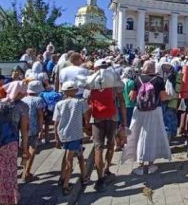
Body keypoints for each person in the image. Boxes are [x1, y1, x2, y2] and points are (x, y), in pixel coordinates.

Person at [121, 61, 171, 175]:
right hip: (154, 111)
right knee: (152, 136)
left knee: (138, 135)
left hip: (139, 111)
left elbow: (132, 97)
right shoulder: (159, 80)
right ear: (154, 68)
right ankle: (151, 164)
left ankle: (140, 164)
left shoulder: (137, 79)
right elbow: (163, 98)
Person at [88, 60, 127, 191]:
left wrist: (86, 122)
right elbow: (121, 101)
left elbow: (87, 102)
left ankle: (99, 179)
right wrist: (124, 122)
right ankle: (107, 169)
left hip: (96, 118)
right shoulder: (114, 80)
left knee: (98, 147)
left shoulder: (91, 81)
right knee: (110, 144)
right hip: (112, 116)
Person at [53, 81, 89, 195]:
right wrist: (87, 128)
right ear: (75, 91)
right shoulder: (80, 102)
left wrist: (56, 138)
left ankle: (80, 177)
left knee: (78, 155)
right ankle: (66, 185)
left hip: (63, 133)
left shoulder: (59, 104)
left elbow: (55, 123)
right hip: (75, 134)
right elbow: (86, 117)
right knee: (70, 160)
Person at [21, 81, 46, 182]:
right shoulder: (38, 99)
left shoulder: (23, 99)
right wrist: (41, 128)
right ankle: (26, 173)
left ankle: (24, 170)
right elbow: (40, 115)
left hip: (22, 127)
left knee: (24, 149)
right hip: (34, 127)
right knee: (32, 149)